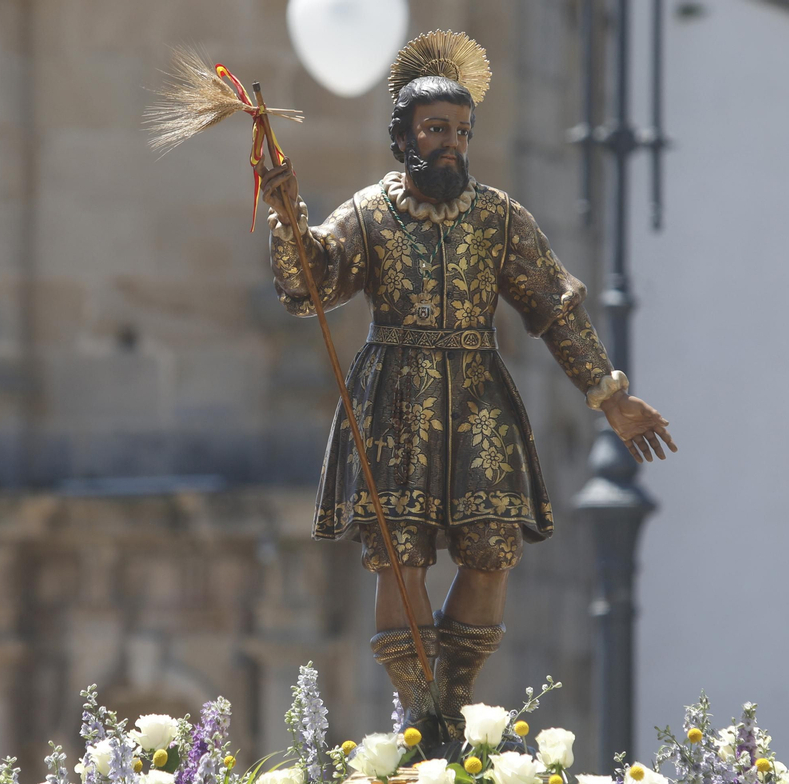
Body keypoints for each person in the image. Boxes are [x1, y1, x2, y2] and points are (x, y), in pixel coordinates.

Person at [259, 31, 675, 745]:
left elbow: (554, 304)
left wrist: (611, 397)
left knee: (492, 550)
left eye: (460, 130)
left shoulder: (498, 218)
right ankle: (424, 715)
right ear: (403, 138)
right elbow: (310, 286)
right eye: (434, 130)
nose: (450, 143)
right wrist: (289, 220)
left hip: (478, 398)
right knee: (403, 553)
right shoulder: (368, 213)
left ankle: (447, 701)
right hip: (394, 401)